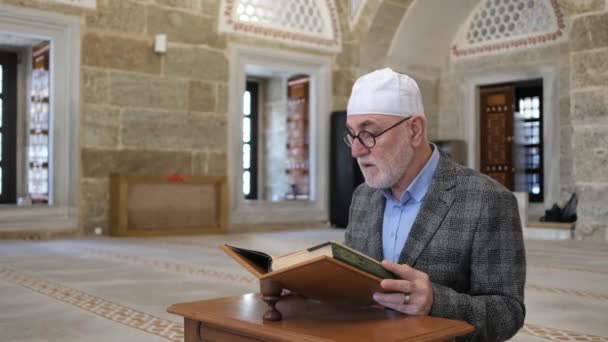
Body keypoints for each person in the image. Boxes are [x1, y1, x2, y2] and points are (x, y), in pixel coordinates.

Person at [343, 68, 526, 341]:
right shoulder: (363, 198)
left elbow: (507, 312)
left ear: (414, 130)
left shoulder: (487, 200)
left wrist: (435, 303)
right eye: (352, 135)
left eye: (370, 133)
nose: (357, 150)